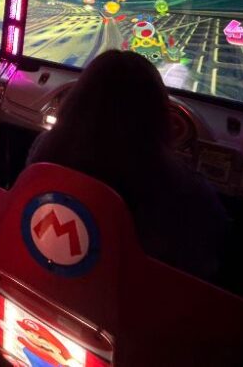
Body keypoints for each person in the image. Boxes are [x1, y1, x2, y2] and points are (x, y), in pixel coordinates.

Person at [27, 49, 229, 281]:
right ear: (158, 115)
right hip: (134, 297)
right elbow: (208, 261)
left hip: (48, 280)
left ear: (77, 100)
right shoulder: (188, 192)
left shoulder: (46, 148)